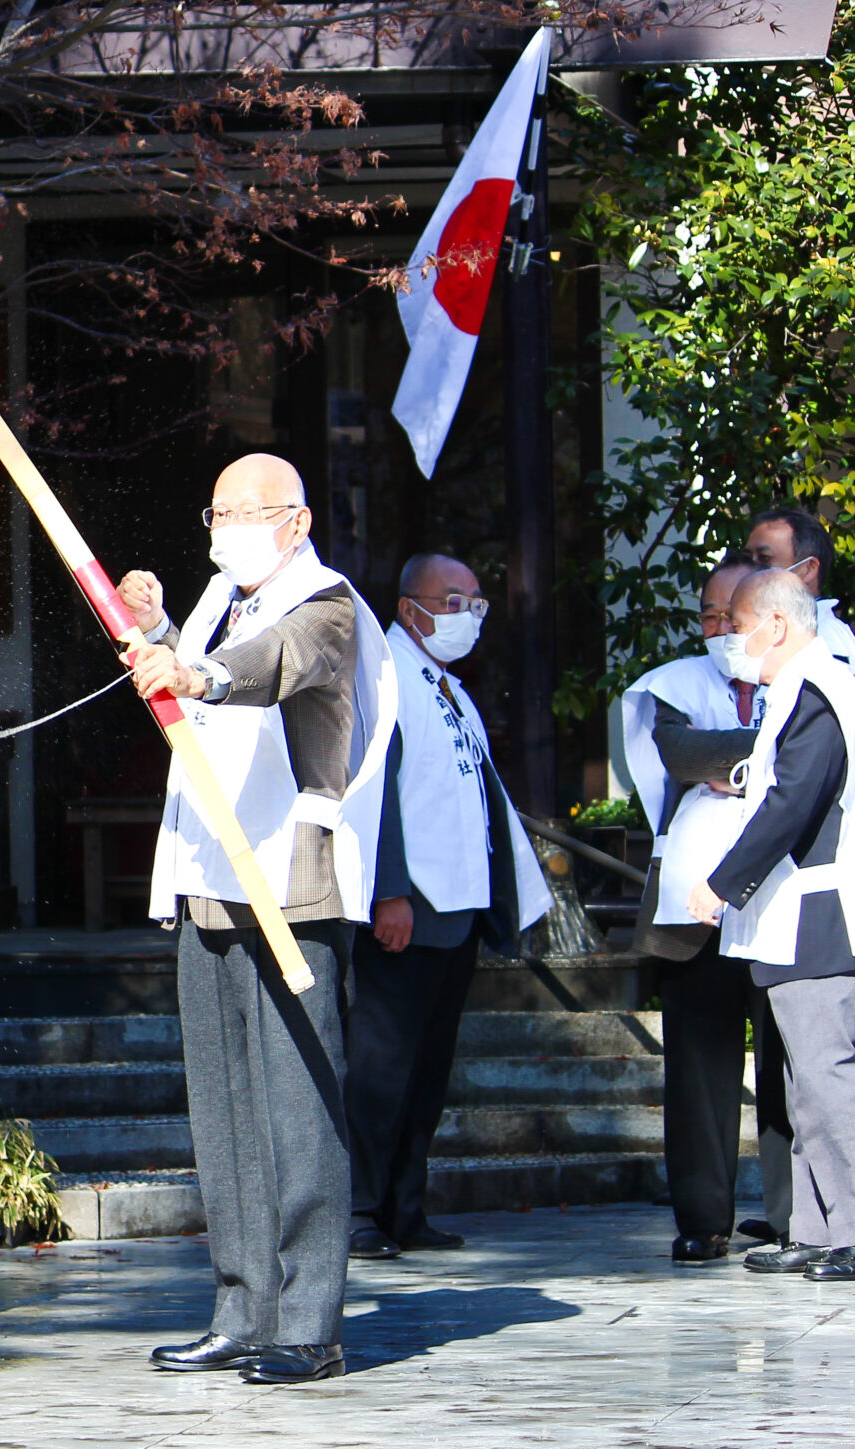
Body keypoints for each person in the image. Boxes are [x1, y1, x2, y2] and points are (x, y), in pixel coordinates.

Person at [118, 453, 396, 1385]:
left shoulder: (328, 605)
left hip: (289, 876)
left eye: (246, 512)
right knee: (225, 1105)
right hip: (208, 871)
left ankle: (308, 1322)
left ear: (296, 521)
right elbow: (197, 668)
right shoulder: (216, 600)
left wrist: (190, 672)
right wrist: (153, 626)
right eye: (216, 510)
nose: (224, 528)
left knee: (296, 1102)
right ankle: (243, 1308)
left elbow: (265, 667)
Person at [343, 554, 549, 1260]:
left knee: (427, 1072)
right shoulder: (389, 678)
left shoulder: (446, 686)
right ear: (409, 608)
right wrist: (388, 891)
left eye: (476, 603)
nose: (469, 616)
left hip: (456, 907)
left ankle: (406, 1207)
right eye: (453, 601)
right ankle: (360, 1208)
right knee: (380, 1069)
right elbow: (378, 797)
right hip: (409, 906)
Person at [687, 569, 855, 1279]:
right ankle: (818, 1227)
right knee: (802, 1083)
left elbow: (791, 803)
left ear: (777, 624)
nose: (732, 639)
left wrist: (723, 883)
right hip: (794, 915)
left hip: (817, 912)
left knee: (827, 1076)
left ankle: (849, 1227)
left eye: (740, 623)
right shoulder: (803, 688)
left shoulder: (816, 690)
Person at [619, 556, 788, 1261]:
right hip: (696, 907)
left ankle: (792, 1215)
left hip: (781, 899)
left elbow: (825, 758)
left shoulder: (805, 680)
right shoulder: (673, 684)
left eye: (733, 615)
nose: (721, 628)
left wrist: (738, 762)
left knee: (786, 1062)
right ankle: (703, 1218)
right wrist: (770, 757)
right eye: (709, 615)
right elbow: (684, 751)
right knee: (699, 1065)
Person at [744, 506, 855, 662]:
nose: (749, 569)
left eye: (764, 559)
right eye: (747, 558)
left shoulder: (824, 640)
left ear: (808, 569)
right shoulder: (767, 630)